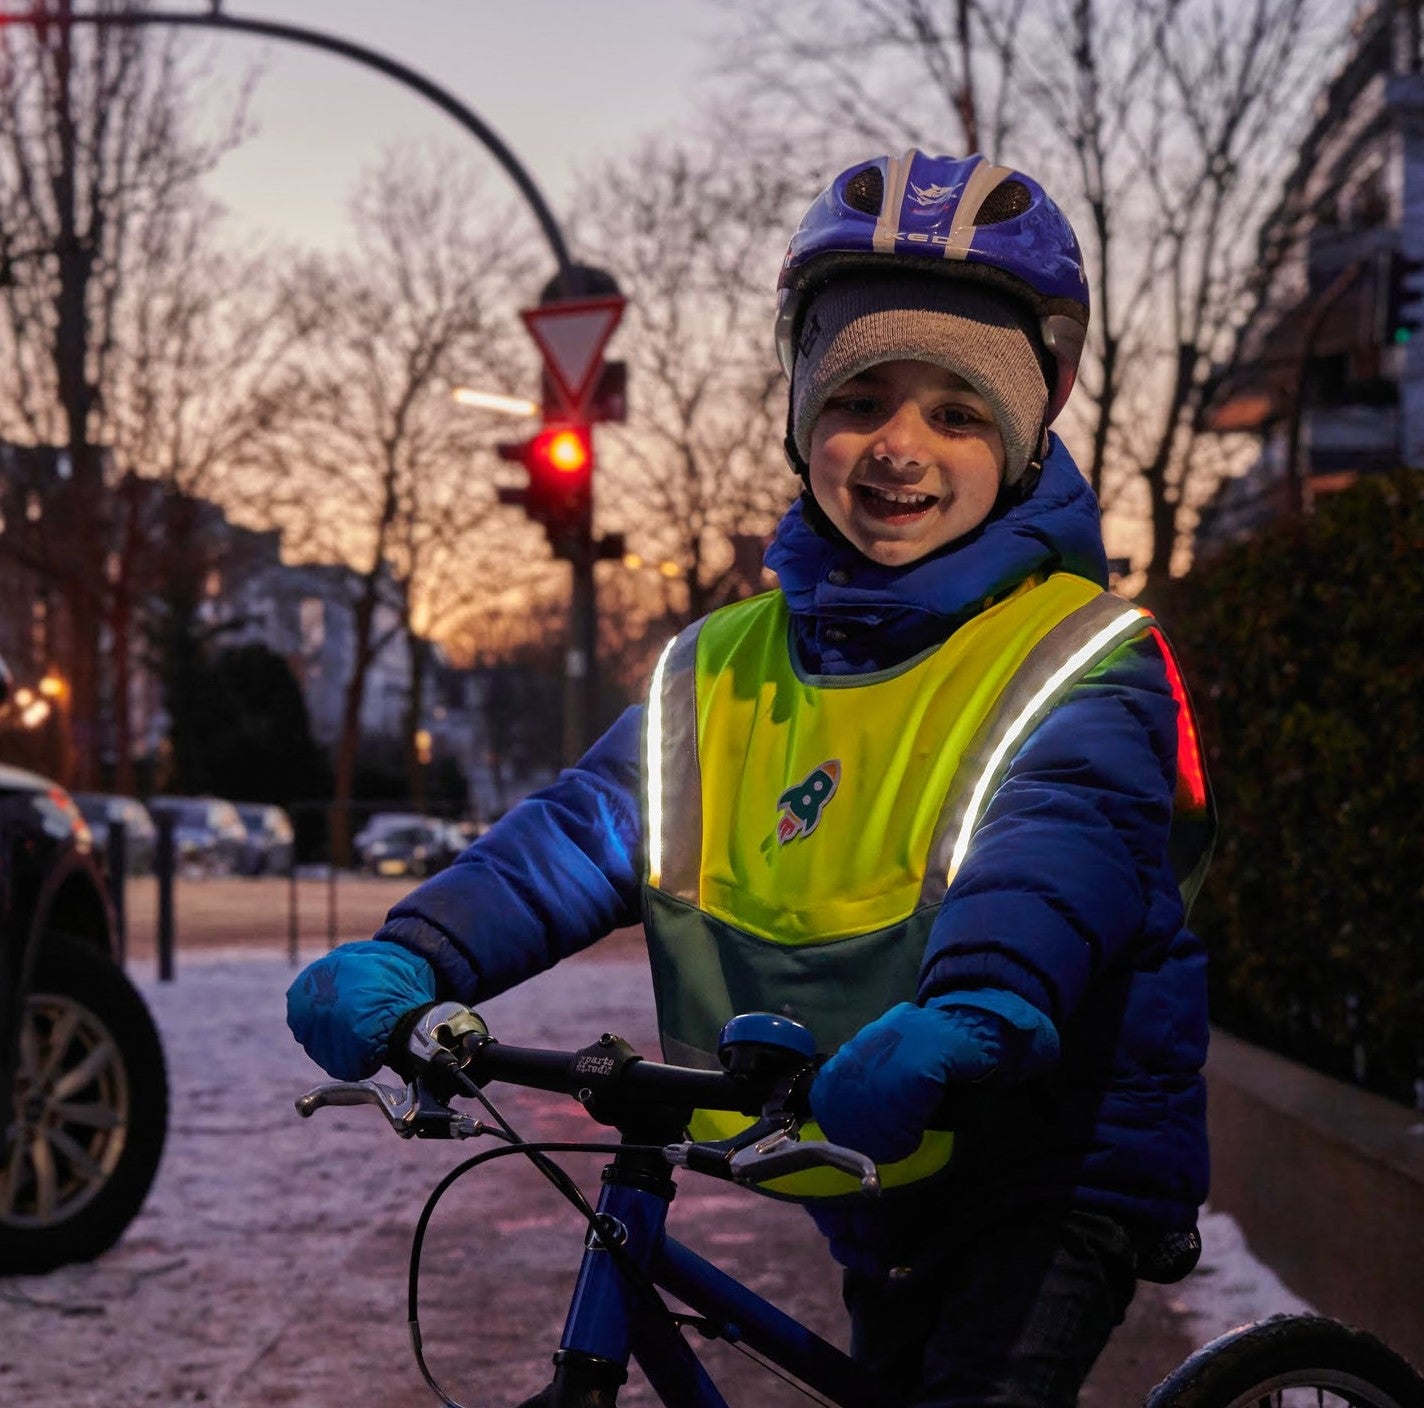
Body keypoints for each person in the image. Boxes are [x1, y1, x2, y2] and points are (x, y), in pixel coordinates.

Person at [287, 149, 1215, 1407]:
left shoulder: (1082, 657)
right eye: (857, 399)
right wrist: (419, 952)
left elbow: (1058, 857)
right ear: (797, 415)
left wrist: (979, 1009)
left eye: (954, 412)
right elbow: (578, 835)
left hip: (1045, 1154)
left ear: (1021, 432)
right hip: (855, 1150)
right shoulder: (721, 665)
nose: (898, 446)